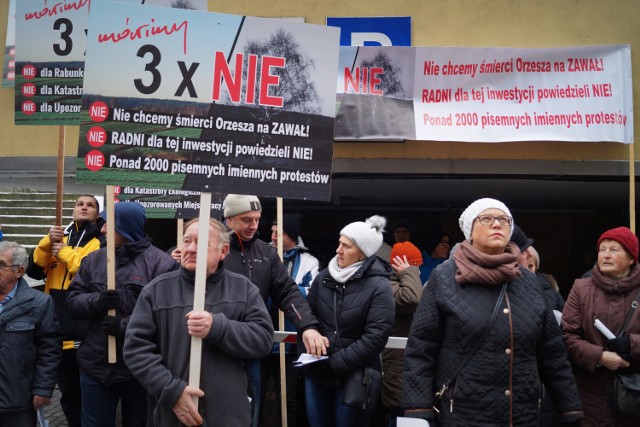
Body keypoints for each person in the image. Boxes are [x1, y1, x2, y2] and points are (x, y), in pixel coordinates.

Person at [403, 198, 583, 426]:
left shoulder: (529, 282)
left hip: (521, 415)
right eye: (486, 219)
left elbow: (553, 353)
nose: (497, 224)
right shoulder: (444, 278)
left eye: (503, 220)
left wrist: (570, 407)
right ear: (470, 230)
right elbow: (420, 350)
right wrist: (417, 408)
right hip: (462, 414)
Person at [124, 218, 273, 426]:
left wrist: (218, 327)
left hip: (228, 417)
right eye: (186, 241)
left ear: (223, 251)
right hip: (173, 416)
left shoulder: (243, 289)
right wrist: (171, 391)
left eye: (201, 243)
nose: (191, 249)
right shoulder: (157, 291)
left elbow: (263, 339)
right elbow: (136, 349)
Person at [65, 202, 178, 427]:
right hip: (95, 368)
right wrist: (96, 301)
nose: (103, 229)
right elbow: (72, 304)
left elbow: (168, 319)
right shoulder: (94, 260)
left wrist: (125, 326)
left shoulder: (162, 265)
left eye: (109, 224)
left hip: (140, 370)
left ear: (126, 228)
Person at [217, 194, 325, 427]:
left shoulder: (266, 254)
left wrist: (307, 326)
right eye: (246, 219)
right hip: (217, 349)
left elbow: (287, 292)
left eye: (257, 219)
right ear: (229, 220)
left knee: (252, 412)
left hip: (252, 350)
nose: (253, 226)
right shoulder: (214, 250)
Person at [304, 215, 395, 427]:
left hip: (354, 378)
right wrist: (309, 345)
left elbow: (376, 336)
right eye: (339, 243)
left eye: (346, 246)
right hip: (317, 373)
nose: (338, 250)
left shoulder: (379, 286)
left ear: (362, 253)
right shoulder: (324, 277)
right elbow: (307, 316)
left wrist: (334, 364)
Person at [28, 194, 104, 427]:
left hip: (85, 330)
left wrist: (65, 253)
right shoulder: (61, 236)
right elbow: (34, 269)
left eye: (90, 205)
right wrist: (47, 243)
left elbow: (92, 270)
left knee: (89, 394)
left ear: (97, 213)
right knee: (68, 393)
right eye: (79, 204)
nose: (83, 208)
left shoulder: (102, 238)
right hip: (57, 328)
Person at [562, 226, 640, 427]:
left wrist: (631, 345)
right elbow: (567, 335)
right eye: (602, 249)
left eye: (614, 250)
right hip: (590, 395)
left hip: (634, 393)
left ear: (631, 258)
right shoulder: (581, 288)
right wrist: (599, 357)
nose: (605, 255)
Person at [263, 213, 320, 427]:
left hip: (288, 343)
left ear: (292, 235)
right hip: (262, 339)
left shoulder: (309, 262)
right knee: (255, 395)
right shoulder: (263, 256)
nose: (274, 236)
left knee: (287, 398)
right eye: (272, 231)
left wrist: (283, 291)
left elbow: (311, 293)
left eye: (280, 232)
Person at [0, 241, 61, 426]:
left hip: (18, 400)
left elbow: (50, 350)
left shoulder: (40, 303)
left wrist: (43, 389)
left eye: (1, 265)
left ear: (19, 271)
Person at [381, 241, 422, 427]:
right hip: (396, 367)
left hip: (407, 365)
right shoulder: (389, 286)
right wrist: (409, 271)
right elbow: (411, 300)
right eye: (416, 267)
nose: (419, 272)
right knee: (398, 416)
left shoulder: (404, 283)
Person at [510, 225, 565, 312]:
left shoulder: (546, 289)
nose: (527, 270)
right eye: (524, 252)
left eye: (530, 266)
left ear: (536, 267)